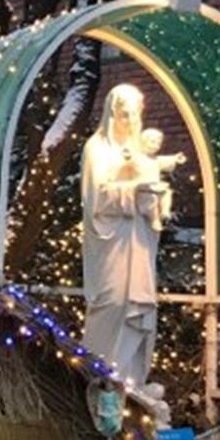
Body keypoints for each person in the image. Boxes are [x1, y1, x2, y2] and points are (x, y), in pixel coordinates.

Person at [81, 83, 173, 394]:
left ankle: (132, 383)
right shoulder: (97, 148)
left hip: (139, 240)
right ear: (112, 114)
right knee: (114, 301)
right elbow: (96, 198)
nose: (130, 121)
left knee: (140, 307)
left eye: (134, 115)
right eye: (124, 115)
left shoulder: (140, 151)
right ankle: (103, 382)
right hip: (112, 241)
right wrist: (134, 191)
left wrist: (153, 200)